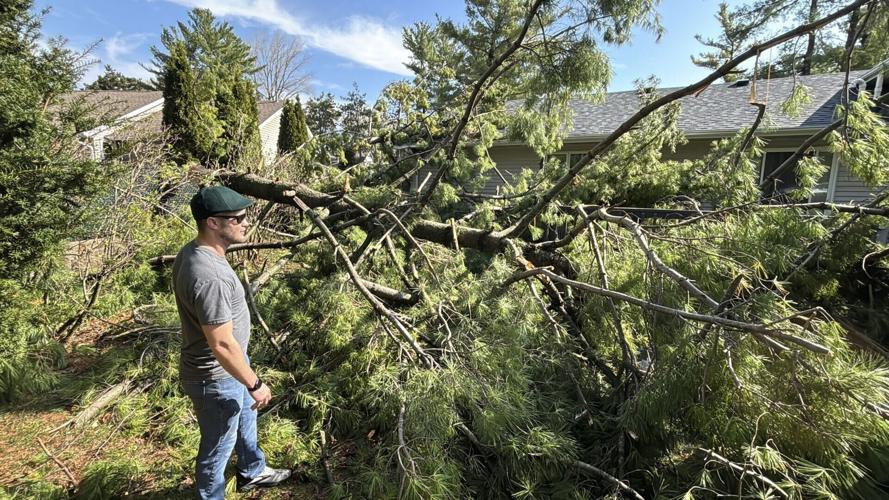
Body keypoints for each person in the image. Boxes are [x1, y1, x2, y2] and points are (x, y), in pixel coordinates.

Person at [172, 185, 291, 499]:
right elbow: (222, 344)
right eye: (237, 218)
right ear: (213, 223)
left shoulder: (193, 251)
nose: (246, 222)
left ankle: (252, 471)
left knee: (246, 417)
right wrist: (254, 383)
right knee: (216, 450)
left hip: (229, 369)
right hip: (216, 376)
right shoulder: (209, 275)